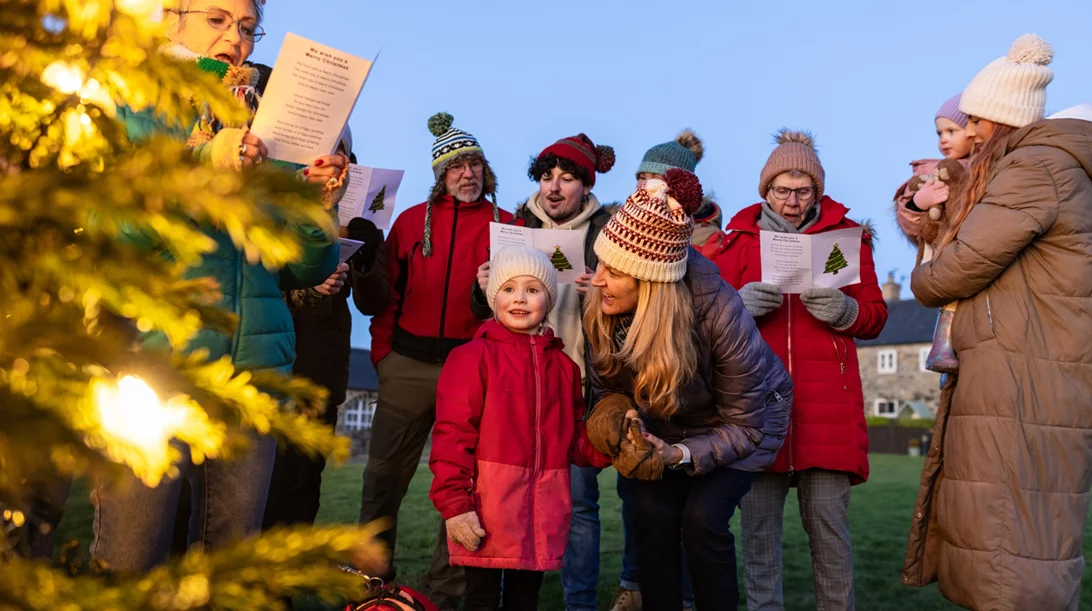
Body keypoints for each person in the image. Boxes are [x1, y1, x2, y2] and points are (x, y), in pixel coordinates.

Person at [91, 0, 340, 572]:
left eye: (248, 28)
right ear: (172, 19)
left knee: (229, 571)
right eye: (218, 19)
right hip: (155, 367)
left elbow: (304, 267)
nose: (236, 38)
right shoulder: (136, 104)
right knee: (131, 560)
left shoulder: (262, 122)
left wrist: (313, 205)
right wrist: (205, 163)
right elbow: (116, 234)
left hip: (255, 371)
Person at [903, 34, 1092, 611]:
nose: (971, 133)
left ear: (1004, 119)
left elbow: (948, 276)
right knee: (1025, 532)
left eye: (979, 120)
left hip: (1018, 383)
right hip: (1034, 377)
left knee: (1007, 548)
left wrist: (928, 261)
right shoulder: (1058, 169)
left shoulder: (1035, 169)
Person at [584, 169, 793, 610]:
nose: (597, 279)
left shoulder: (719, 311)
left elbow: (747, 426)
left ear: (650, 279)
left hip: (746, 422)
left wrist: (677, 455)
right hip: (669, 422)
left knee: (702, 521)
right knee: (652, 514)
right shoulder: (604, 306)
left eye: (613, 271)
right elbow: (605, 387)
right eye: (600, 263)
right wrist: (613, 418)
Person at [716, 129, 888, 611]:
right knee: (758, 542)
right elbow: (703, 326)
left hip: (826, 412)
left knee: (831, 541)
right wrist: (738, 306)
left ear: (817, 190)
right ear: (765, 191)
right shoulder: (735, 246)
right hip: (757, 412)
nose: (792, 202)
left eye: (803, 190)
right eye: (782, 191)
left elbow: (875, 316)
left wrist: (844, 311)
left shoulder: (847, 241)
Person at [363, 112, 512, 609]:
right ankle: (372, 585)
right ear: (440, 176)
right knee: (383, 477)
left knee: (463, 487)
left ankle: (445, 591)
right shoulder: (409, 223)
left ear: (485, 171)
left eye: (473, 165)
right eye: (455, 167)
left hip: (471, 372)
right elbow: (388, 296)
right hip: (406, 363)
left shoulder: (507, 227)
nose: (466, 174)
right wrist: (383, 356)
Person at [468, 133, 614, 611]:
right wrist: (483, 287)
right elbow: (487, 311)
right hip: (518, 385)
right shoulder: (515, 225)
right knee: (505, 496)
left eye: (566, 178)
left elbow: (636, 311)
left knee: (580, 502)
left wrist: (607, 299)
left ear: (584, 184)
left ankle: (579, 602)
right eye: (547, 176)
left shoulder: (607, 233)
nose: (554, 187)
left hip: (579, 377)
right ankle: (497, 588)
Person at [430, 245, 610, 611]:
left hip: (543, 510)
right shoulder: (471, 357)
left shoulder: (564, 367)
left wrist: (610, 444)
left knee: (524, 598)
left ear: (549, 298)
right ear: (494, 295)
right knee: (480, 598)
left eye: (532, 289)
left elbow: (573, 439)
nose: (520, 299)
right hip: (486, 509)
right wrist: (454, 504)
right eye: (509, 289)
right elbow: (452, 436)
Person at [610, 129, 707, 611]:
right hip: (639, 383)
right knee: (636, 493)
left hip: (687, 391)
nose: (649, 188)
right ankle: (635, 585)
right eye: (642, 178)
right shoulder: (622, 227)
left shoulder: (703, 236)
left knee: (688, 510)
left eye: (660, 179)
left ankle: (683, 595)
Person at [893, 94, 974, 256]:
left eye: (951, 131)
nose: (943, 139)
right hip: (938, 254)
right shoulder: (928, 171)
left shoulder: (982, 166)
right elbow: (909, 225)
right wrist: (917, 204)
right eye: (939, 133)